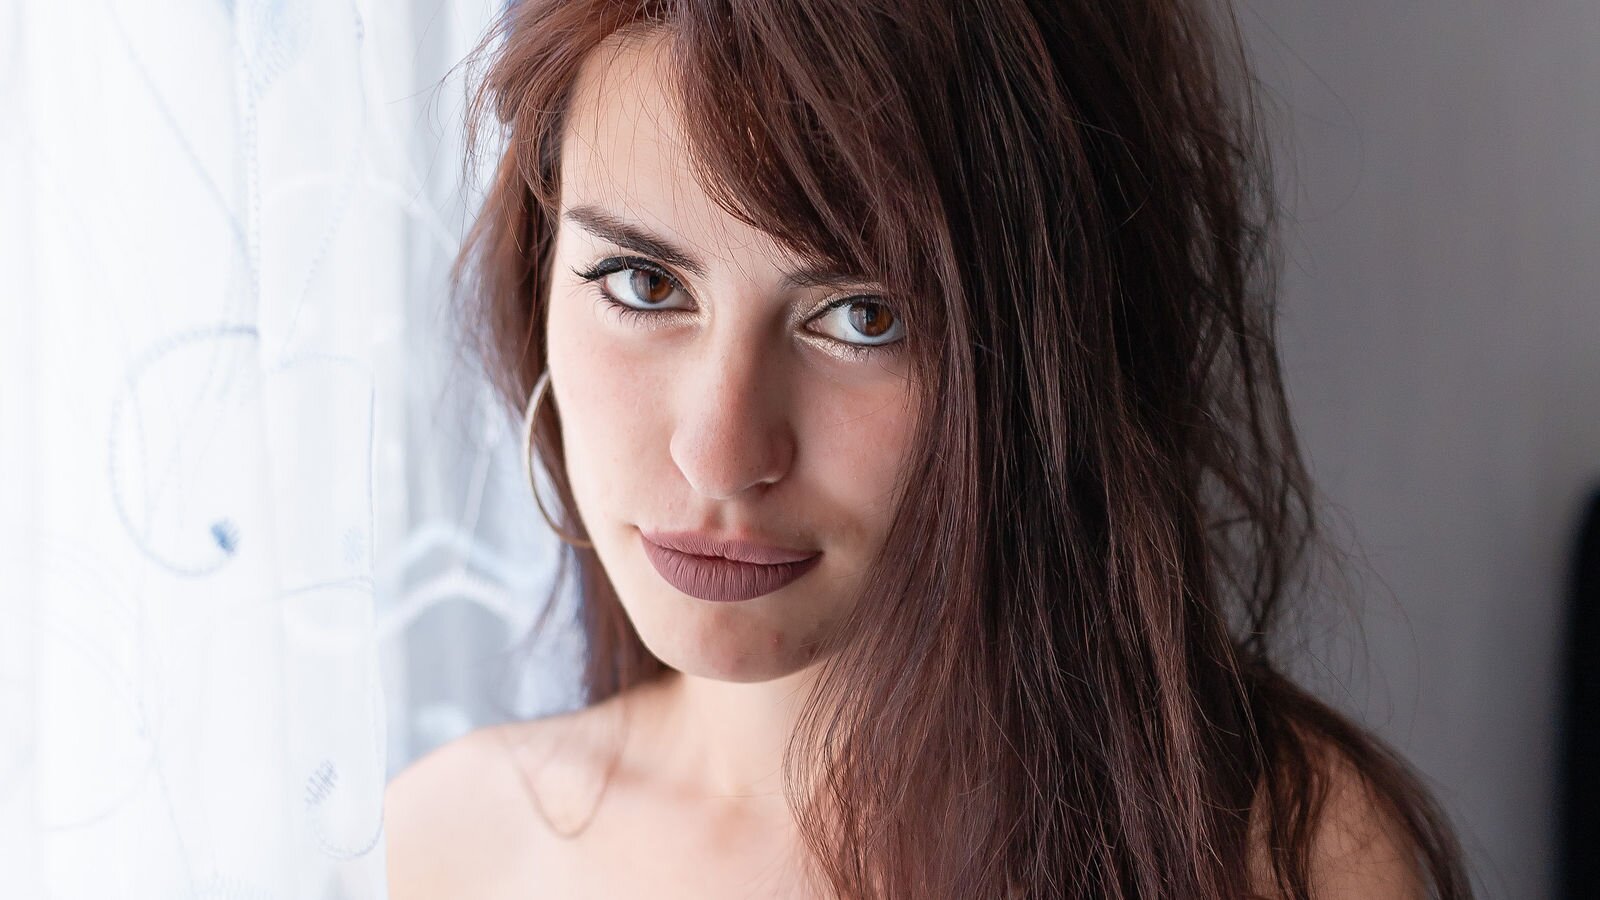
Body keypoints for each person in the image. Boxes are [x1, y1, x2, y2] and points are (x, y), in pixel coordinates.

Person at [384, 1, 1472, 897]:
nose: (719, 455)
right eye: (642, 283)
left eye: (864, 318)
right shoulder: (452, 845)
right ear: (540, 279)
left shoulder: (1281, 855)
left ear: (1049, 360)